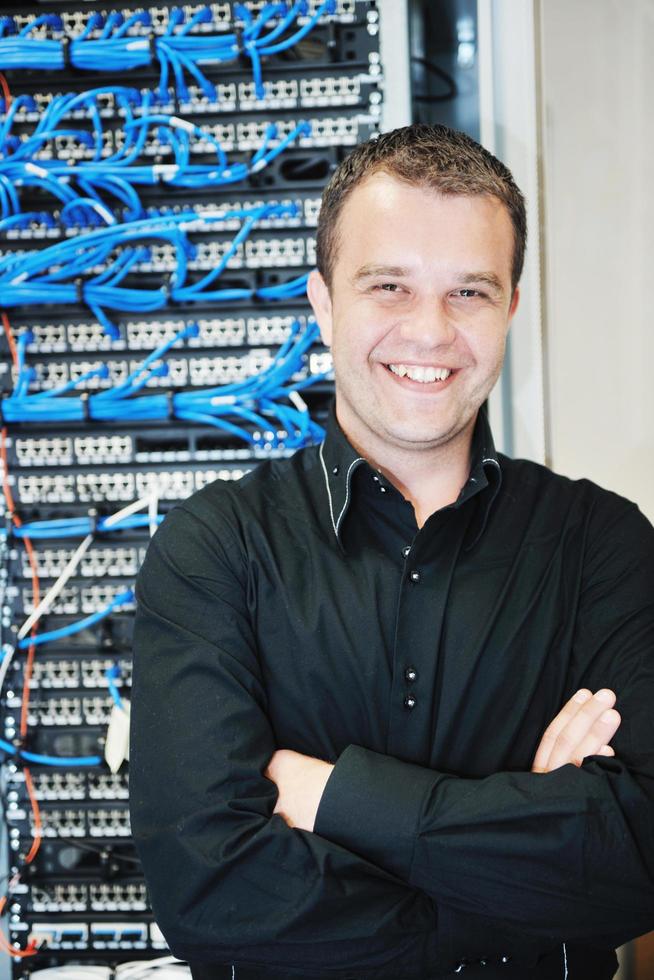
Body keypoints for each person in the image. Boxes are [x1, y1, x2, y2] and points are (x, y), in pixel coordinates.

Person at [129, 124, 654, 980]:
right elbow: (212, 893)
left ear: (511, 308)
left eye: (469, 293)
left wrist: (333, 799)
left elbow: (641, 860)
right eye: (388, 286)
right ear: (324, 304)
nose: (430, 331)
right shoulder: (215, 552)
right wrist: (521, 872)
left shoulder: (604, 548)